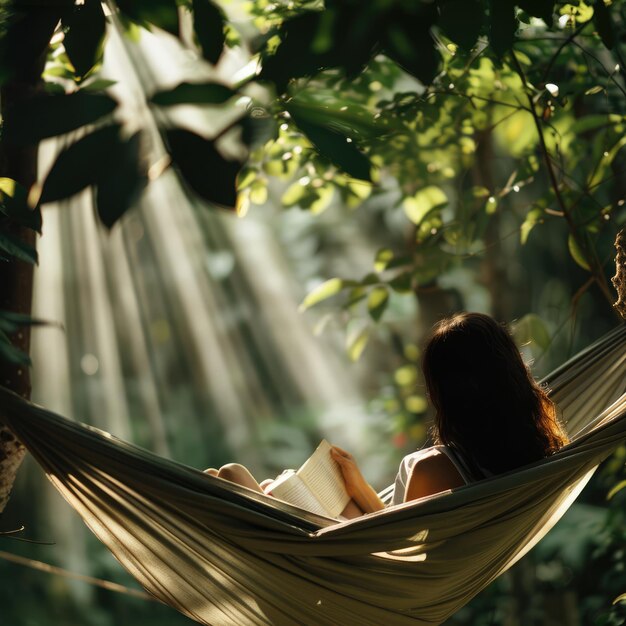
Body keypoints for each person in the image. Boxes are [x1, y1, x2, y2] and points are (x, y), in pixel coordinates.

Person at [207, 312, 568, 518]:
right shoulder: (540, 449)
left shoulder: (436, 468)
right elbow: (398, 532)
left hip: (349, 569)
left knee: (228, 476)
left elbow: (396, 551)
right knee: (236, 484)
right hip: (381, 568)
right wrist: (358, 488)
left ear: (444, 393)